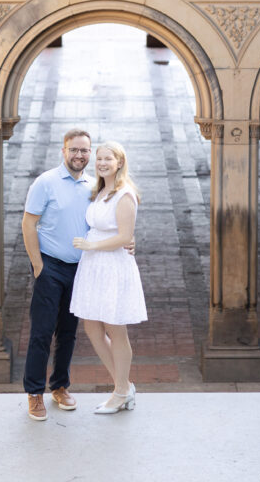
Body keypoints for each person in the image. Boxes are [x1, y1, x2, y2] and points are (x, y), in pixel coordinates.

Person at [21, 127, 94, 421]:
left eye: (84, 150)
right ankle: (34, 393)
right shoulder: (46, 182)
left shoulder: (94, 184)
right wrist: (38, 265)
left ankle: (60, 387)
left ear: (90, 153)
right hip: (49, 267)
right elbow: (29, 224)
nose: (79, 155)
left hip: (80, 269)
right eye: (74, 150)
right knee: (41, 331)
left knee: (68, 332)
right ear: (63, 151)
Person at [71, 141, 147, 414]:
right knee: (91, 327)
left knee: (116, 330)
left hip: (112, 266)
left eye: (108, 159)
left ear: (120, 163)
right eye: (99, 158)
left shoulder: (124, 194)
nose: (102, 163)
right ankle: (123, 386)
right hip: (93, 266)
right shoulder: (100, 190)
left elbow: (125, 236)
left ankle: (120, 392)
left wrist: (93, 246)